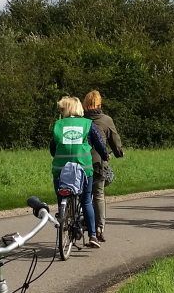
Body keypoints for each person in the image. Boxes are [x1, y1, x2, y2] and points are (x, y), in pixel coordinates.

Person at [51, 96, 109, 249]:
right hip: (83, 170)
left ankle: (64, 222)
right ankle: (92, 235)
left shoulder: (57, 125)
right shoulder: (88, 124)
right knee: (86, 201)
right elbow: (100, 144)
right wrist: (105, 156)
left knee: (61, 200)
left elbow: (52, 148)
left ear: (66, 110)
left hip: (60, 170)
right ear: (78, 108)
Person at [83, 90, 124, 243]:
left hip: (79, 161)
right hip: (97, 162)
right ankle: (99, 227)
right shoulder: (106, 120)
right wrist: (119, 153)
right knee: (98, 194)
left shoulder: (80, 120)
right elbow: (114, 140)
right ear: (99, 104)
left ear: (85, 104)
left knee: (82, 194)